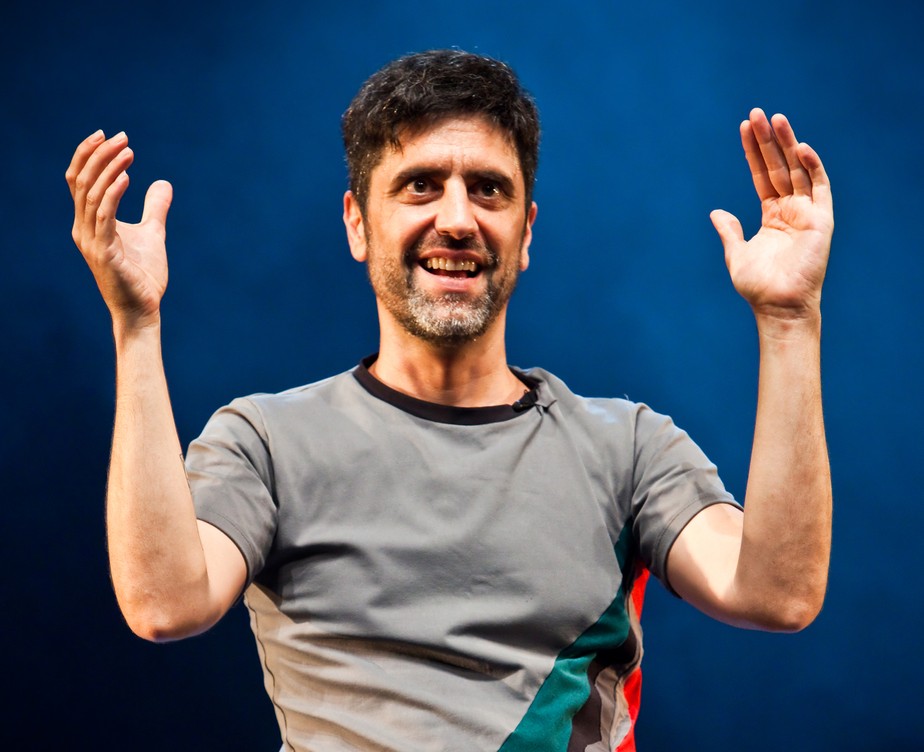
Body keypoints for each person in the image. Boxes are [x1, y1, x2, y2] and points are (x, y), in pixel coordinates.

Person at [66, 50, 833, 752]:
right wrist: (136, 326)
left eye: (489, 190)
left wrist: (790, 320)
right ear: (358, 224)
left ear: (525, 233)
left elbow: (778, 593)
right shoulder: (264, 442)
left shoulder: (628, 449)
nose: (458, 220)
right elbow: (164, 604)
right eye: (421, 185)